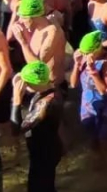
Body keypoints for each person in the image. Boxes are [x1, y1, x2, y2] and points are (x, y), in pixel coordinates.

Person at [11, 61, 64, 192]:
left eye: (26, 82)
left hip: (44, 154)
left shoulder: (45, 104)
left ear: (34, 84)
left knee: (38, 187)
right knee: (47, 185)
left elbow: (16, 129)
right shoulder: (51, 88)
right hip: (48, 147)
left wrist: (16, 101)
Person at [70, 31, 107, 155]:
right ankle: (96, 165)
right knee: (91, 139)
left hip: (106, 106)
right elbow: (73, 84)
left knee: (105, 140)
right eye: (84, 52)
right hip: (87, 106)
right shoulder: (83, 58)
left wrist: (93, 72)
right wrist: (76, 64)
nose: (86, 55)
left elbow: (104, 90)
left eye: (88, 52)